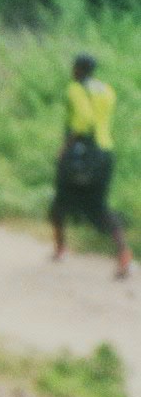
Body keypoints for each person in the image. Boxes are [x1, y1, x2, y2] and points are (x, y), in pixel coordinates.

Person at [49, 52, 132, 279]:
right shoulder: (106, 90)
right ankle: (124, 254)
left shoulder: (75, 89)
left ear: (77, 69)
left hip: (81, 153)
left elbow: (83, 120)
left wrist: (65, 147)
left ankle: (60, 249)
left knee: (59, 201)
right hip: (104, 153)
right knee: (100, 207)